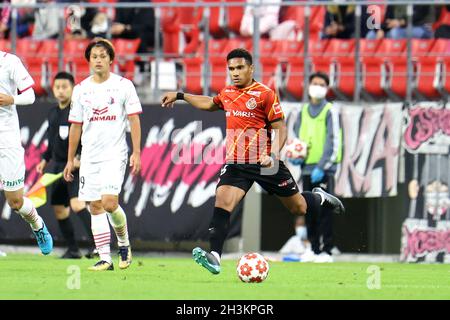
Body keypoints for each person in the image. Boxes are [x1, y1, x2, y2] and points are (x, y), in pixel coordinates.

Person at [161, 48, 345, 275]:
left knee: (298, 207)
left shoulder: (265, 94)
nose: (235, 73)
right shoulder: (227, 92)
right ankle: (215, 256)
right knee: (223, 200)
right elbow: (209, 103)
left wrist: (273, 155)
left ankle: (319, 197)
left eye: (239, 68)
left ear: (251, 68)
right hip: (237, 163)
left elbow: (281, 129)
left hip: (265, 162)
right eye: (231, 69)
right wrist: (181, 96)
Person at [63, 39, 142, 271]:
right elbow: (75, 126)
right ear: (88, 60)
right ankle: (105, 258)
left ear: (110, 59)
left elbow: (134, 119)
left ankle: (124, 244)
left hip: (114, 154)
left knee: (109, 203)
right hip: (89, 157)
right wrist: (70, 159)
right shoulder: (80, 89)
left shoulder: (123, 86)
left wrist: (136, 152)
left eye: (102, 55)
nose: (98, 59)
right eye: (94, 56)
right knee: (95, 206)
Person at [36, 71, 96, 259]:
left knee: (77, 205)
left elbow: (88, 137)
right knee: (60, 210)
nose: (61, 91)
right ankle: (73, 249)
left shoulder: (78, 111)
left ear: (72, 88)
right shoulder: (52, 113)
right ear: (53, 89)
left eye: (65, 87)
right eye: (57, 87)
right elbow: (51, 140)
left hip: (74, 166)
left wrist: (79, 158)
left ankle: (98, 246)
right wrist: (45, 160)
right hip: (57, 167)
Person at [0, 50, 53, 255]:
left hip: (7, 139)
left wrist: (10, 99)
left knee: (15, 201)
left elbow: (30, 96)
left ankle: (37, 224)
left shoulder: (9, 61)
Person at [291, 71, 342, 263]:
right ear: (309, 86)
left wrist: (323, 165)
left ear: (326, 88)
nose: (318, 87)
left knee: (325, 211)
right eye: (315, 83)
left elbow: (333, 140)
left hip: (323, 169)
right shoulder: (302, 112)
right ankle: (312, 248)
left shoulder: (330, 110)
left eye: (322, 84)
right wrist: (296, 157)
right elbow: (296, 138)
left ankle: (326, 250)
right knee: (308, 209)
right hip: (306, 168)